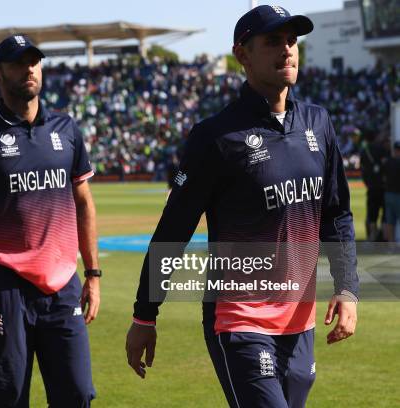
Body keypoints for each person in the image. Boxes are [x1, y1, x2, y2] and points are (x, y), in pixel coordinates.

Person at [125, 5, 359, 408]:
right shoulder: (215, 137)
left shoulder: (318, 123)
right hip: (239, 320)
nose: (287, 50)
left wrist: (348, 288)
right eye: (273, 41)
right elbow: (174, 230)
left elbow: (336, 213)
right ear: (243, 54)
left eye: (291, 41)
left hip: (299, 322)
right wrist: (145, 315)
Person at [0, 34, 100, 407]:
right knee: (4, 396)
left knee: (77, 393)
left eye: (34, 61)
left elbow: (84, 204)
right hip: (2, 284)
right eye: (17, 63)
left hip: (62, 285)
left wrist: (93, 274)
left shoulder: (66, 130)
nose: (28, 69)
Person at [359, 131, 388, 241]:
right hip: (384, 186)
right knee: (385, 215)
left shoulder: (364, 151)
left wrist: (367, 182)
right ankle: (385, 239)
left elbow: (362, 169)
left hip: (371, 187)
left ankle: (372, 238)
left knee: (372, 215)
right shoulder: (382, 149)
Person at [383, 141, 400, 242]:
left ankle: (391, 245)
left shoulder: (388, 162)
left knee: (390, 221)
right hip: (398, 194)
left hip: (388, 194)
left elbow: (383, 177)